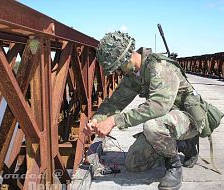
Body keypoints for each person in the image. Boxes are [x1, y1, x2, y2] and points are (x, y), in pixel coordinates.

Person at [83, 31, 201, 190]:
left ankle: (174, 166)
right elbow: (116, 102)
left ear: (127, 58)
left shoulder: (159, 67)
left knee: (152, 126)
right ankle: (176, 144)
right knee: (134, 163)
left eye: (119, 68)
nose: (119, 73)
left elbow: (158, 106)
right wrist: (96, 119)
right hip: (166, 118)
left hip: (187, 118)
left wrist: (114, 121)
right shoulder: (134, 73)